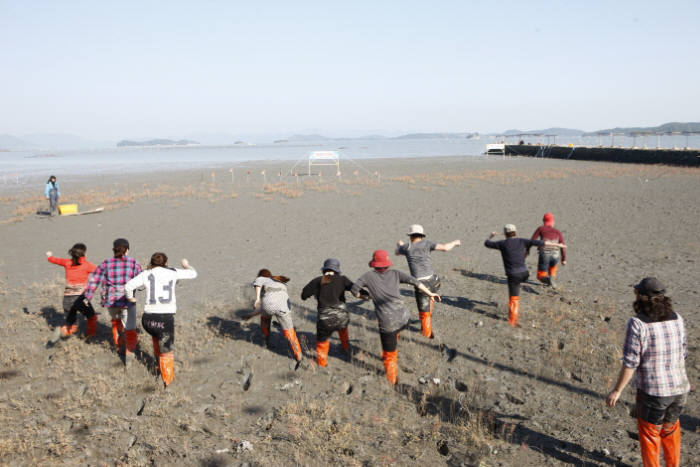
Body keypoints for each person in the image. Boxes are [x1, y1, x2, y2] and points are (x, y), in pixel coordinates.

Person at [606, 278, 689, 467]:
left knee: (650, 435)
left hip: (654, 392)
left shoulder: (637, 324)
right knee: (670, 430)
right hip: (680, 389)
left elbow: (631, 362)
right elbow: (683, 352)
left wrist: (617, 390)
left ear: (641, 297)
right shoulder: (677, 318)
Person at [351, 250, 440, 385]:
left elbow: (354, 290)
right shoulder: (396, 273)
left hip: (387, 323)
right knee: (396, 332)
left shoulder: (367, 277)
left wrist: (365, 296)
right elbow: (416, 282)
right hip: (404, 317)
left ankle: (392, 380)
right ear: (387, 263)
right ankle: (394, 343)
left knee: (389, 354)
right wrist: (430, 293)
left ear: (374, 264)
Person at [125, 253, 197, 387]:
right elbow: (193, 274)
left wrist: (131, 298)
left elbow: (128, 286)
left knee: (156, 339)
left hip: (148, 320)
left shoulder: (146, 273)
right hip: (164, 319)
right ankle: (168, 381)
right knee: (167, 352)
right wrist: (186, 265)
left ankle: (159, 367)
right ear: (166, 262)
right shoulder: (173, 272)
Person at [484, 224, 564, 327]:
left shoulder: (502, 243)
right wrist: (558, 245)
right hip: (525, 274)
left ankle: (513, 321)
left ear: (504, 234)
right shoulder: (523, 241)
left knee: (514, 298)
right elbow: (542, 242)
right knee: (519, 282)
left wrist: (491, 236)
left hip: (513, 275)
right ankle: (545, 280)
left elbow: (487, 243)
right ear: (515, 232)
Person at [395, 224, 460, 339]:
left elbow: (396, 252)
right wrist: (455, 242)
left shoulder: (407, 247)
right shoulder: (427, 243)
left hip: (421, 285)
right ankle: (430, 311)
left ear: (410, 236)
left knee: (423, 312)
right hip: (434, 281)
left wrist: (400, 245)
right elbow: (445, 248)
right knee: (431, 295)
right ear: (421, 235)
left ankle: (427, 334)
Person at [84, 238, 143, 364]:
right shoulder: (133, 263)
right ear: (127, 250)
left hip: (111, 302)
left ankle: (119, 346)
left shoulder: (106, 263)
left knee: (116, 323)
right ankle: (129, 355)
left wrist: (87, 296)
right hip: (127, 301)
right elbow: (142, 279)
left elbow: (94, 280)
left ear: (114, 249)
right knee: (130, 328)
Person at [301, 258, 360, 367]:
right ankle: (346, 348)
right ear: (337, 270)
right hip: (342, 317)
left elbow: (304, 295)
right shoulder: (343, 279)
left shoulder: (318, 280)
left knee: (322, 340)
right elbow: (355, 289)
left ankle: (322, 363)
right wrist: (365, 294)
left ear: (324, 270)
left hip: (325, 320)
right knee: (343, 328)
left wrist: (310, 295)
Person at [253, 269, 304, 368]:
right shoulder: (280, 282)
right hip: (283, 307)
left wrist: (257, 299)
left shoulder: (261, 280)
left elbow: (259, 287)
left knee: (264, 318)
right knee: (290, 334)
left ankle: (265, 340)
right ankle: (299, 356)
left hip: (269, 306)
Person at [46, 243, 97, 339]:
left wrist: (49, 256)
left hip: (67, 299)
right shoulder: (87, 265)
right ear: (84, 253)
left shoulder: (67, 262)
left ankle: (63, 330)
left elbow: (55, 260)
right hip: (80, 298)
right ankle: (90, 335)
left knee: (72, 324)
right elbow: (100, 271)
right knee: (92, 317)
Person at [529, 212, 566, 289]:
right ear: (552, 221)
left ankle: (548, 281)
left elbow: (532, 240)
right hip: (556, 254)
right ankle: (552, 278)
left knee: (540, 276)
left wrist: (527, 249)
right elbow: (563, 246)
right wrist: (563, 259)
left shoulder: (540, 228)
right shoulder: (557, 232)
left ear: (543, 221)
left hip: (545, 253)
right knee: (552, 267)